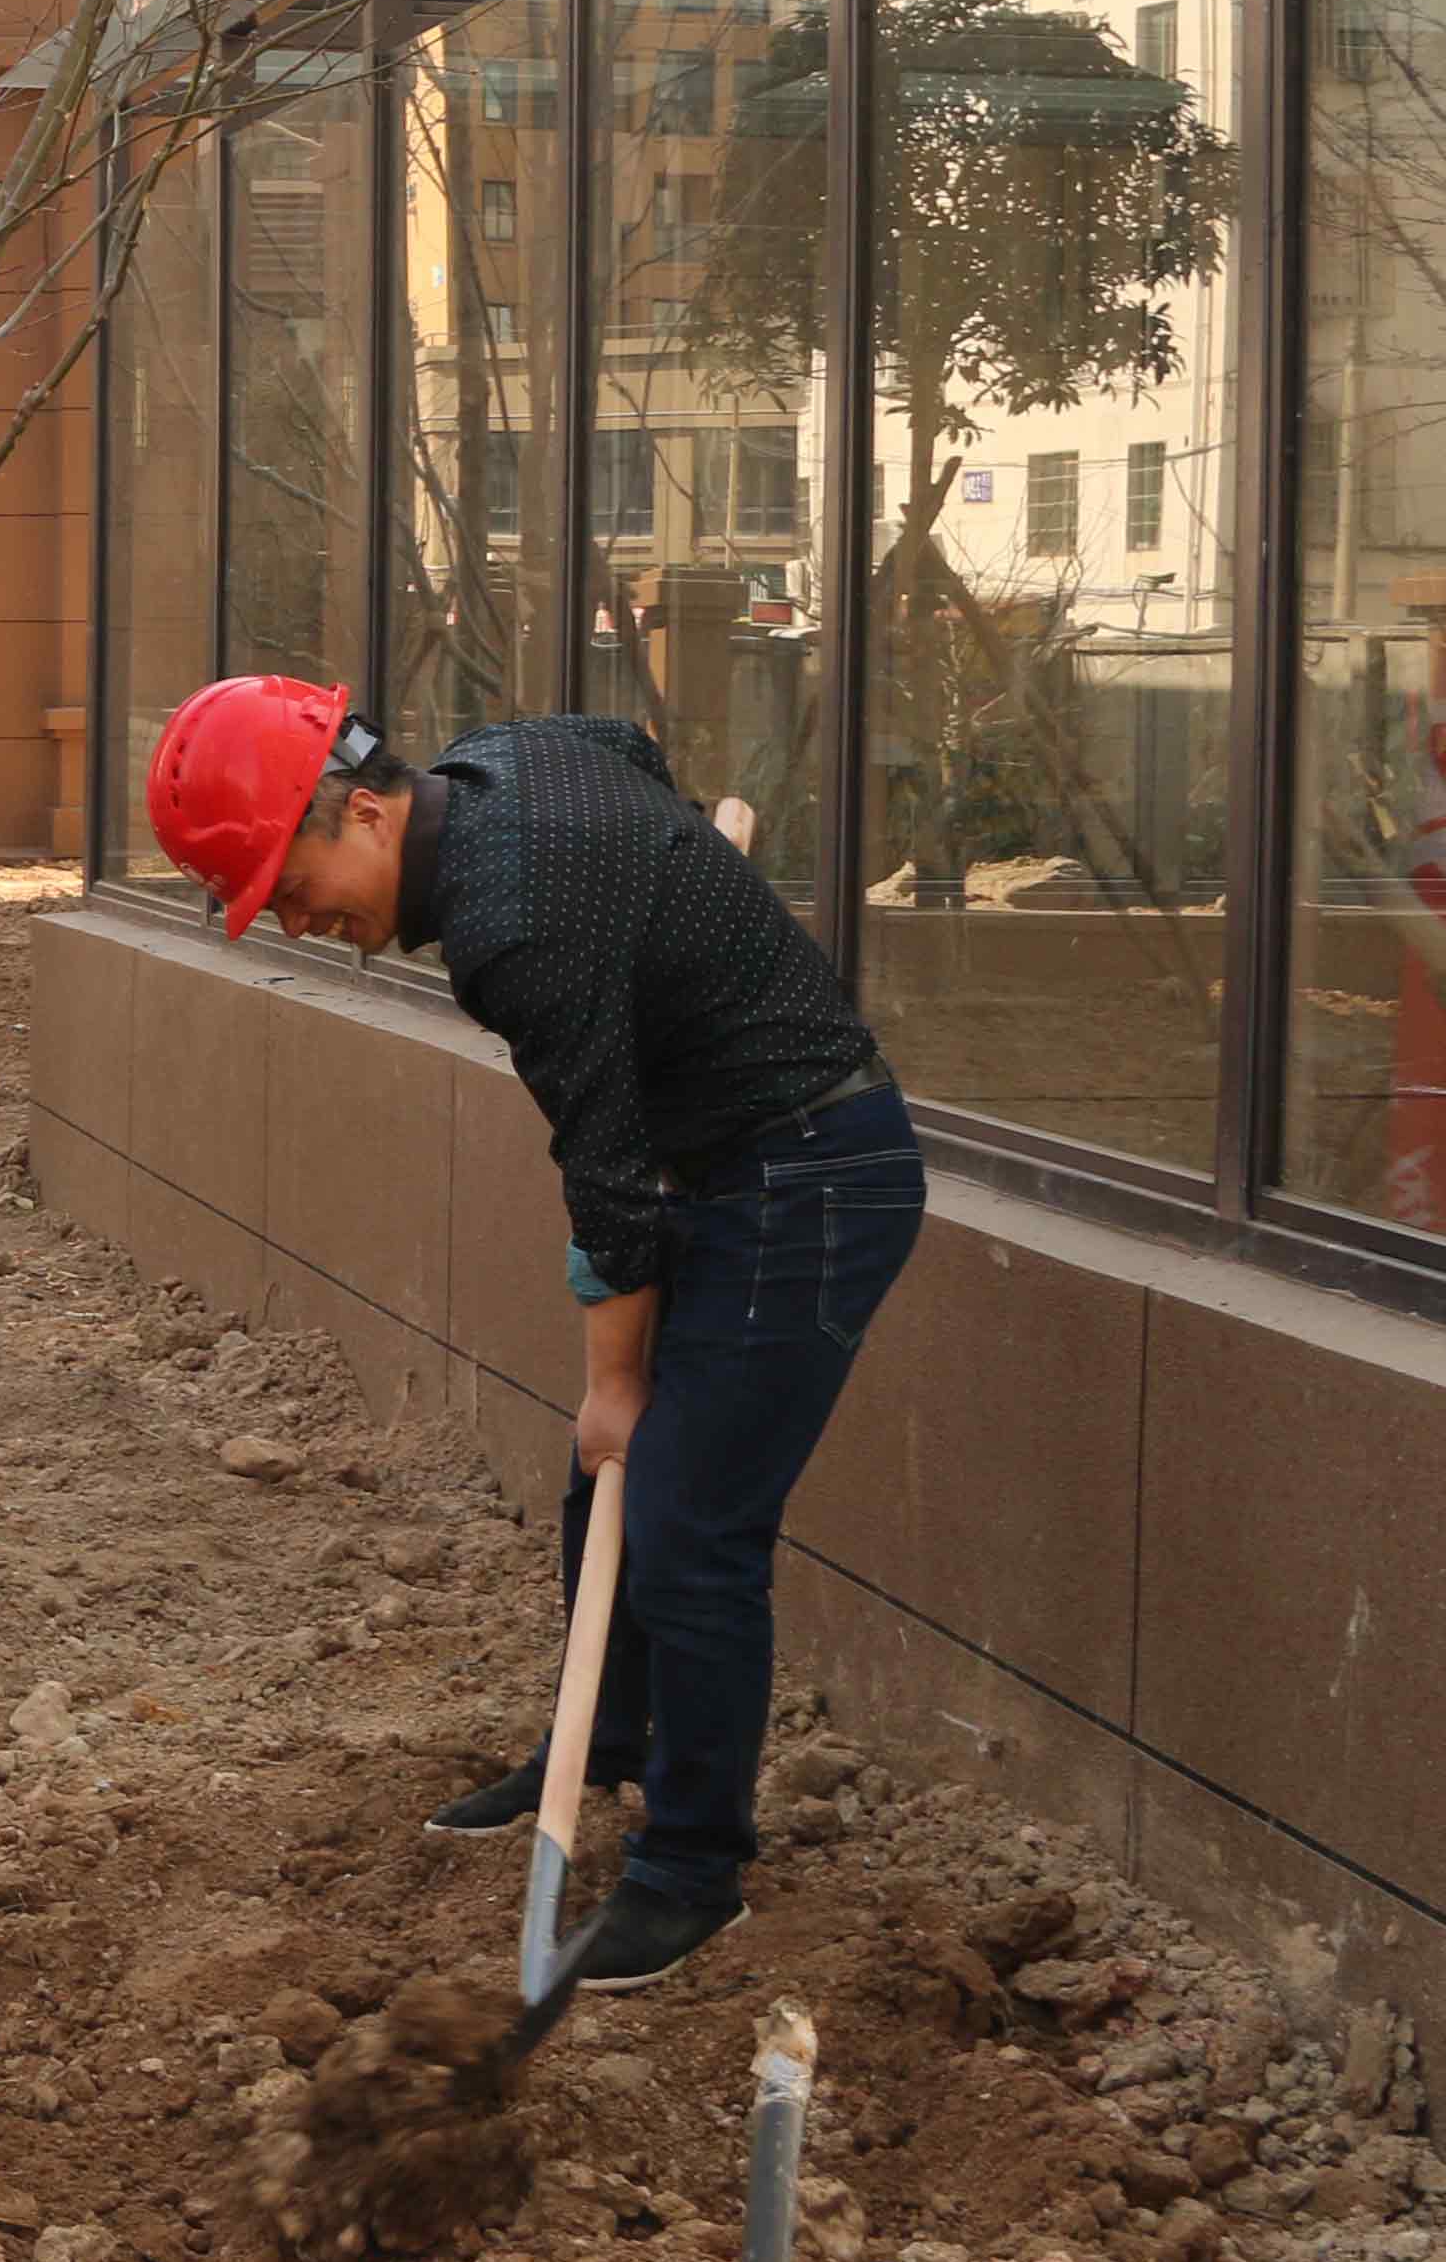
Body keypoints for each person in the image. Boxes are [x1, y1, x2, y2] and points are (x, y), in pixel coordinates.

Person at [145, 676, 922, 1994]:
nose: (298, 918)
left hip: (811, 1176)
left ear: (372, 815)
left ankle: (691, 1870)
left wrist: (616, 1379)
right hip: (728, 1154)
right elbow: (626, 742)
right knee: (602, 1497)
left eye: (291, 878)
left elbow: (610, 1185)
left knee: (685, 1524)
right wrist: (668, 892)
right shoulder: (507, 762)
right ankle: (601, 1742)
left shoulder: (510, 924)